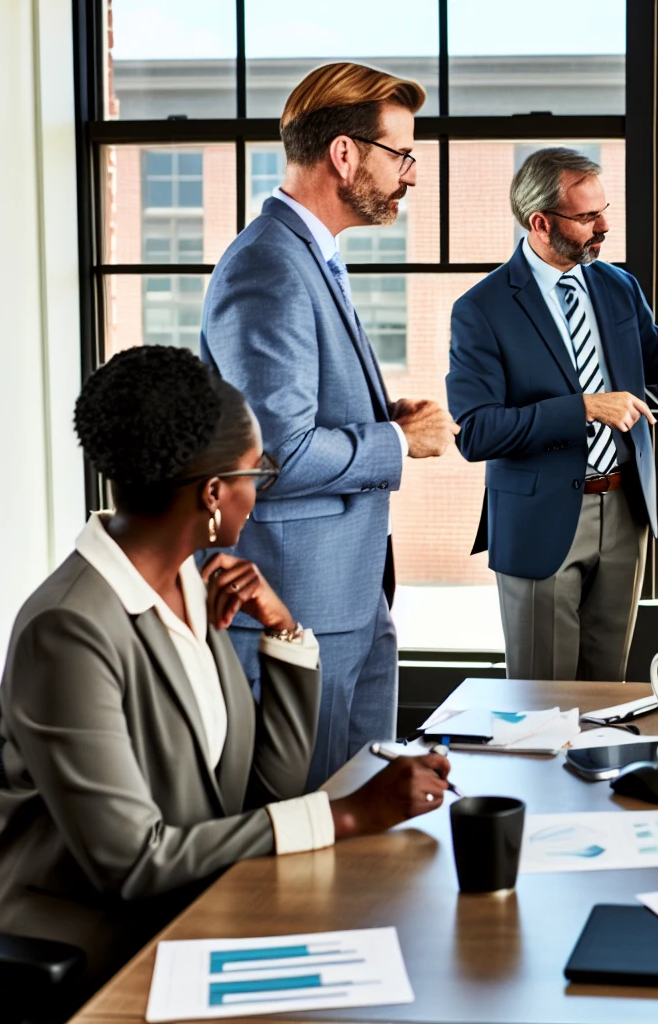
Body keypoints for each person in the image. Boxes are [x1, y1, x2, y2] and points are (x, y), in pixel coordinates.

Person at [0, 346, 451, 1010]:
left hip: (201, 909)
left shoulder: (190, 583)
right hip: (92, 945)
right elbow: (133, 862)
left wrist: (283, 634)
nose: (261, 487)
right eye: (258, 471)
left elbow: (259, 794)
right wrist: (352, 812)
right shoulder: (68, 628)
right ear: (214, 494)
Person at [201, 63, 458, 789]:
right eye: (401, 155)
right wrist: (399, 441)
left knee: (357, 820)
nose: (410, 176)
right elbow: (276, 453)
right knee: (308, 833)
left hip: (347, 598)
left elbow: (294, 417)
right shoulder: (270, 267)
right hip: (295, 605)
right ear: (345, 154)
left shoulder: (310, 256)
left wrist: (379, 417)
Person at [447, 148, 658, 681]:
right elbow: (477, 432)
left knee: (604, 691)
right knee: (543, 697)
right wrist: (582, 408)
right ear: (540, 222)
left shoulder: (618, 288)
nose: (604, 226)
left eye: (604, 211)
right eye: (587, 217)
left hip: (626, 510)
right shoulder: (482, 309)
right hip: (540, 523)